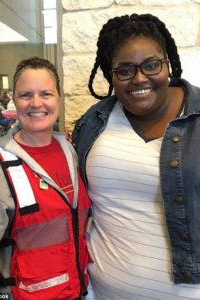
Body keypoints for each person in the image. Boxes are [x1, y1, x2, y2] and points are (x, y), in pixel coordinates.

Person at [72, 13, 200, 300]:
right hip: (102, 292)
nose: (140, 78)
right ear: (110, 74)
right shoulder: (92, 124)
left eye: (151, 65)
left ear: (167, 63)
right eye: (125, 70)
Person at [0, 56, 91, 299]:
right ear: (14, 100)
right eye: (26, 95)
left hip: (77, 291)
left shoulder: (70, 152)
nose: (36, 103)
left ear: (59, 99)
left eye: (46, 94)